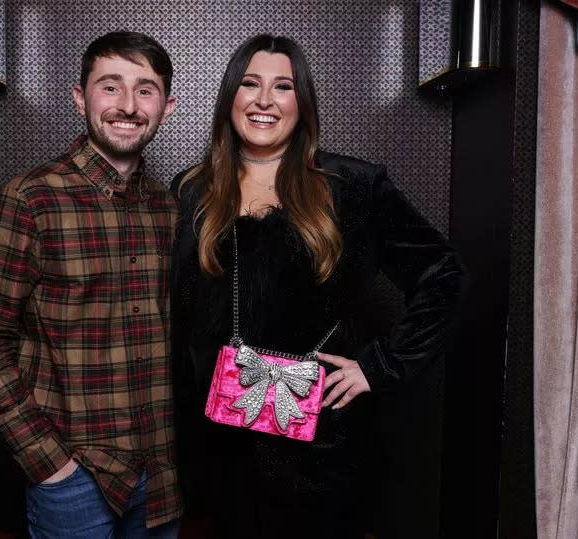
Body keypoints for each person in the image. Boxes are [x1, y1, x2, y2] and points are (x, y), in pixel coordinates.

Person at [170, 34, 464, 538]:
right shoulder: (191, 188)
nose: (264, 100)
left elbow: (442, 274)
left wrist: (381, 366)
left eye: (282, 86)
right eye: (250, 84)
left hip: (320, 445)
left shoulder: (353, 185)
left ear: (301, 103)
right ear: (230, 98)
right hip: (221, 440)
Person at [0, 31, 181, 538]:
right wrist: (49, 464)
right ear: (80, 97)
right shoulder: (29, 199)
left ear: (167, 107)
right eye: (111, 87)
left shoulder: (170, 209)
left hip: (160, 473)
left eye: (145, 90)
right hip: (75, 479)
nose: (127, 105)